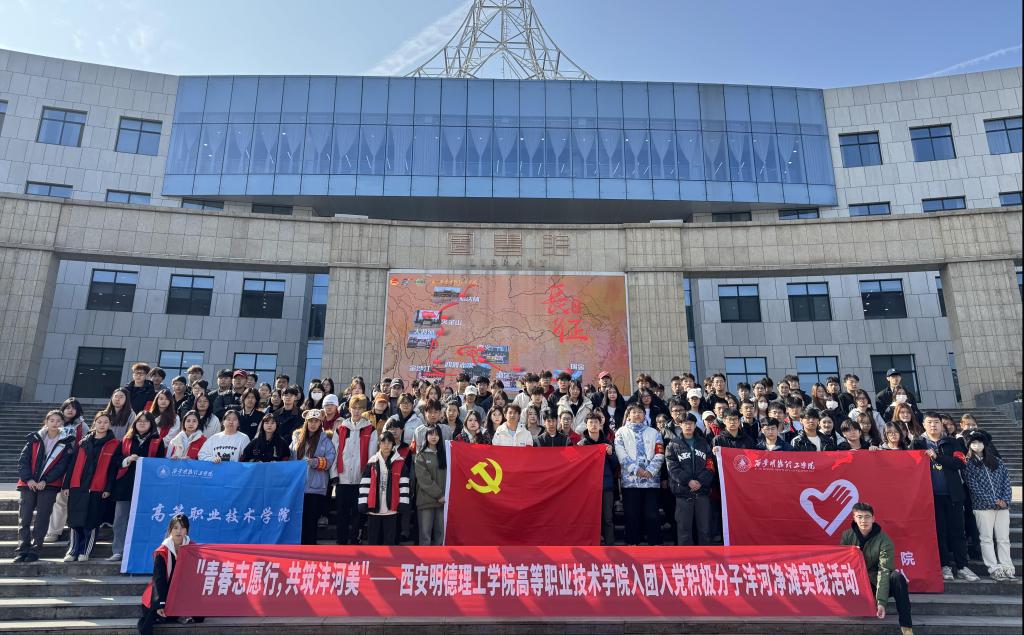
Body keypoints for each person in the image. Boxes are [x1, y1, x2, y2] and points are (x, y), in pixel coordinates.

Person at [912, 412, 979, 582]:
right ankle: (945, 565)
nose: (933, 425)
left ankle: (963, 566)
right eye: (929, 422)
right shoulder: (918, 443)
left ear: (941, 424)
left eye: (936, 422)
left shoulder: (952, 442)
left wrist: (938, 457)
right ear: (923, 424)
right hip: (931, 497)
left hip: (953, 494)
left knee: (958, 531)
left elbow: (960, 463)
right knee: (939, 532)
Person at [839, 502, 914, 635]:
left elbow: (884, 570)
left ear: (873, 518)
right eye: (859, 517)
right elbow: (842, 565)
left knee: (897, 577)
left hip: (876, 583)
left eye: (867, 517)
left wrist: (881, 602)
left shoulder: (884, 540)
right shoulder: (847, 536)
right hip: (856, 584)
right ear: (854, 519)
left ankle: (907, 628)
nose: (863, 520)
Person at [14, 410, 74, 563]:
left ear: (62, 423)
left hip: (49, 485)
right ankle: (22, 550)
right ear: (46, 422)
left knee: (42, 518)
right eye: (51, 420)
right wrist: (29, 479)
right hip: (28, 484)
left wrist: (45, 481)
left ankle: (35, 550)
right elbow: (23, 461)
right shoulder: (34, 439)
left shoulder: (66, 442)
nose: (55, 423)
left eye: (58, 421)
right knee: (24, 518)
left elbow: (62, 467)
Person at [110, 412, 165, 561]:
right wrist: (127, 459)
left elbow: (161, 464)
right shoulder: (126, 440)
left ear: (151, 424)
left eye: (146, 421)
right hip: (125, 485)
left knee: (143, 519)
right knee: (120, 519)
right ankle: (118, 550)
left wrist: (146, 462)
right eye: (139, 420)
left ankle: (138, 551)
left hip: (146, 486)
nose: (142, 423)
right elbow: (115, 460)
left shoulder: (157, 441)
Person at [64, 412, 119, 562]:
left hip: (97, 488)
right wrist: (66, 485)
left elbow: (113, 470)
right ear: (94, 423)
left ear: (110, 424)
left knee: (92, 521)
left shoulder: (114, 444)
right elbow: (72, 464)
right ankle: (73, 550)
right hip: (78, 486)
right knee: (75, 520)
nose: (102, 425)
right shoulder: (83, 442)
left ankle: (85, 550)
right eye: (99, 422)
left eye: (105, 422)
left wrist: (108, 488)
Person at [963, 431, 1016, 580]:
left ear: (985, 444)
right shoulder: (968, 464)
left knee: (1003, 538)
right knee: (986, 538)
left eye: (979, 442)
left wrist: (1005, 499)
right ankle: (993, 567)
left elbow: (1006, 481)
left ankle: (1007, 566)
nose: (977, 445)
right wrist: (992, 500)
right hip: (982, 507)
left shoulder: (997, 461)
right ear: (969, 446)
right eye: (973, 443)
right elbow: (973, 487)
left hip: (1002, 506)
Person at [137, 514, 202, 634]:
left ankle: (178, 614)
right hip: (165, 590)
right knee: (153, 613)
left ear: (187, 530)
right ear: (170, 530)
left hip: (184, 590)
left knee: (200, 615)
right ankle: (174, 614)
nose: (179, 531)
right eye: (175, 528)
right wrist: (160, 603)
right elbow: (159, 579)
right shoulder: (162, 552)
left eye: (182, 528)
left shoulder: (193, 549)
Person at [332, 394, 378, 545]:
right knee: (342, 513)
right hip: (343, 478)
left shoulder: (371, 429)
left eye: (360, 408)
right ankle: (341, 541)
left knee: (358, 513)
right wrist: (334, 474)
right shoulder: (341, 429)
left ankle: (354, 540)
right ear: (349, 409)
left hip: (360, 479)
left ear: (364, 410)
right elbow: (335, 453)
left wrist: (367, 477)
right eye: (354, 407)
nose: (356, 411)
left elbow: (372, 456)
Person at [614, 404, 664, 546]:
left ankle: (654, 544)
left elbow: (660, 453)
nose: (637, 414)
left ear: (644, 415)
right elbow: (620, 453)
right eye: (634, 412)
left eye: (640, 412)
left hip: (651, 481)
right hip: (630, 481)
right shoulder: (621, 432)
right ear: (628, 415)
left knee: (652, 515)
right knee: (631, 515)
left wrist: (651, 470)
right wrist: (636, 469)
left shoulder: (654, 432)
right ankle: (632, 543)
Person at [665, 412, 715, 546]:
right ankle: (686, 558)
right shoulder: (673, 444)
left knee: (705, 529)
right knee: (684, 530)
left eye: (691, 423)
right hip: (683, 493)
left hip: (702, 492)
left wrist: (700, 481)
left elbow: (710, 465)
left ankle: (706, 557)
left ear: (695, 425)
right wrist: (688, 481)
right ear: (680, 425)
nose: (688, 426)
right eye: (685, 423)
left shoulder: (703, 443)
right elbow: (672, 467)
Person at [291, 409, 336, 545]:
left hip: (316, 486)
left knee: (311, 520)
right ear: (306, 422)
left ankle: (310, 546)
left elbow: (330, 461)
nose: (313, 424)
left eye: (316, 421)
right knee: (299, 519)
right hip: (299, 486)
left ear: (320, 423)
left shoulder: (325, 439)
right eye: (311, 421)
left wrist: (315, 462)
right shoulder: (297, 438)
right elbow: (291, 458)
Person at [358, 431, 411, 545]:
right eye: (383, 442)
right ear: (379, 444)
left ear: (393, 445)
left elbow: (404, 484)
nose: (386, 445)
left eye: (389, 442)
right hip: (373, 508)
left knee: (389, 541)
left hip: (391, 508)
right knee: (373, 542)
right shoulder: (372, 462)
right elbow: (365, 484)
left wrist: (403, 502)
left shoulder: (400, 462)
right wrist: (363, 502)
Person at [578, 412, 617, 546]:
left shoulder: (607, 443)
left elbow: (615, 465)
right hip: (588, 488)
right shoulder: (581, 445)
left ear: (600, 425)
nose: (594, 425)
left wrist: (611, 454)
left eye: (596, 422)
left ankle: (610, 545)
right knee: (589, 517)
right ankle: (590, 545)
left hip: (605, 485)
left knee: (608, 518)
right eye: (591, 422)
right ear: (586, 425)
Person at [414, 427, 446, 545]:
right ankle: (424, 557)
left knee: (440, 534)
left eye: (436, 434)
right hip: (426, 501)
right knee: (425, 535)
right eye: (431, 434)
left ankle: (439, 557)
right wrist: (439, 495)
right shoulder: (421, 455)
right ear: (426, 436)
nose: (434, 437)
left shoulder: (445, 455)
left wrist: (443, 496)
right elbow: (424, 479)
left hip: (442, 502)